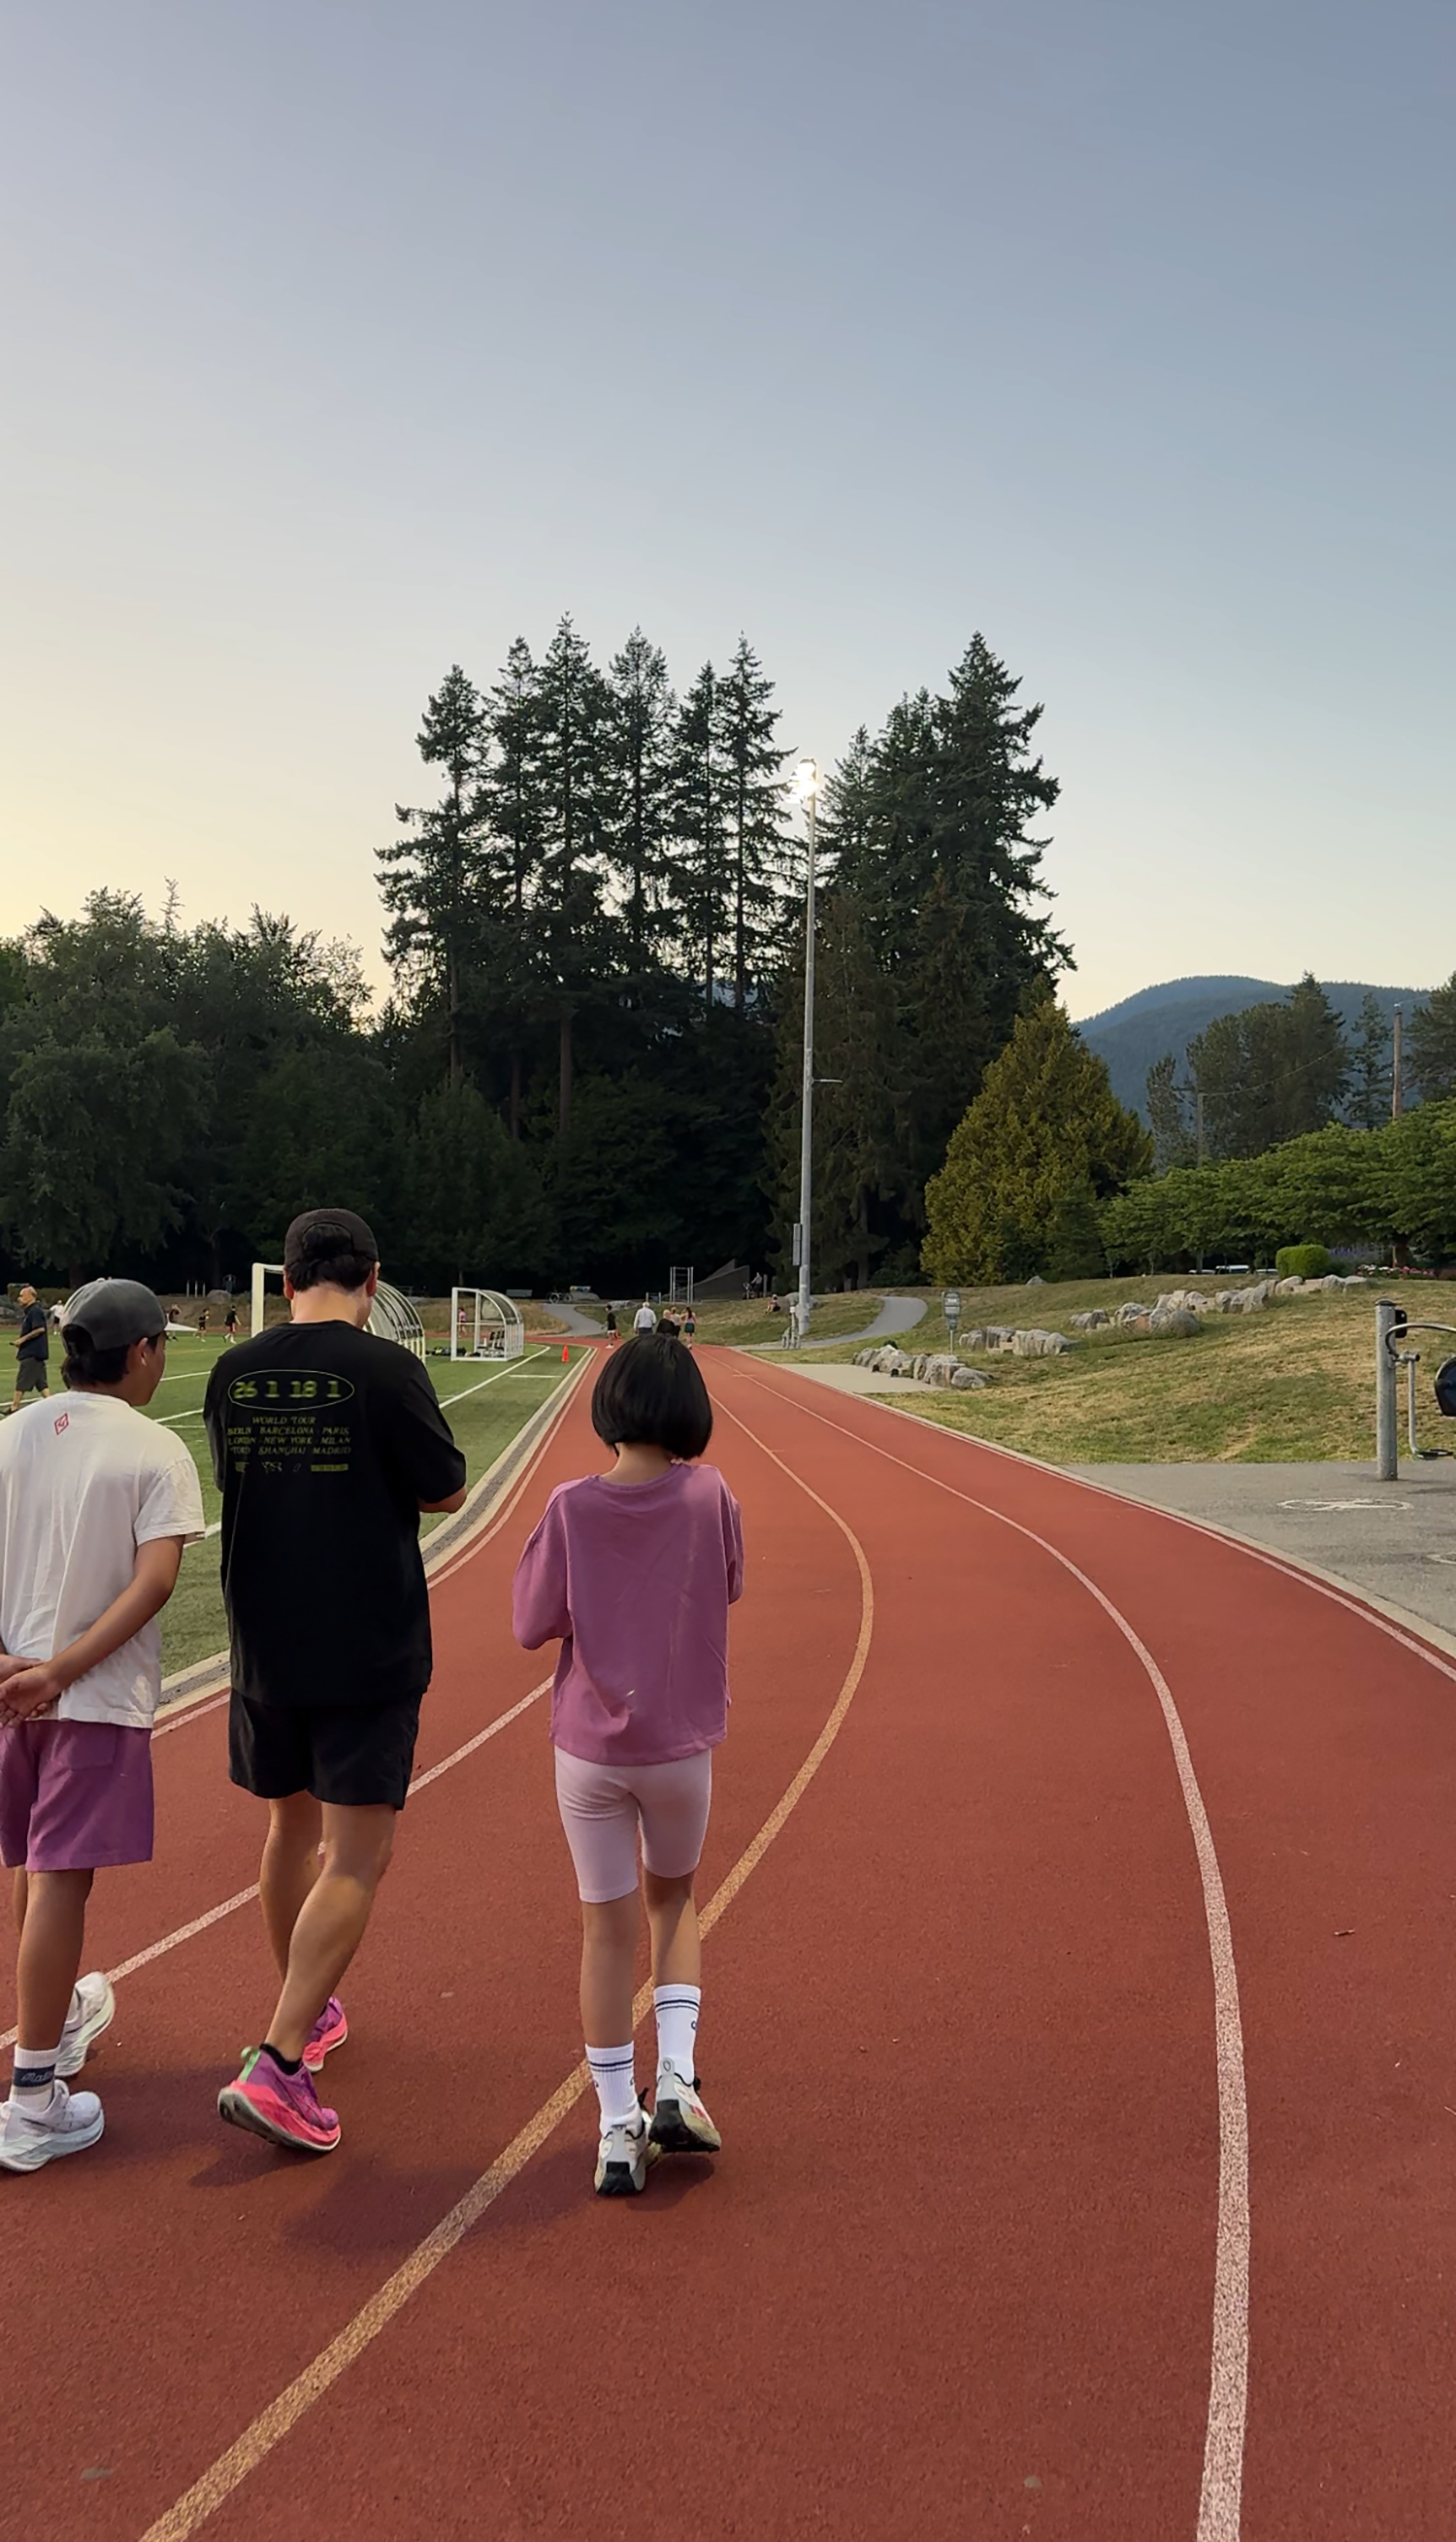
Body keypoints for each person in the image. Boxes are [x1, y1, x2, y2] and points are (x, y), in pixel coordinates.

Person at [205, 1208, 467, 2155]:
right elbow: (445, 1488)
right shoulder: (387, 1369)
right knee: (356, 1856)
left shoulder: (234, 1371)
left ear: (285, 1279)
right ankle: (281, 2057)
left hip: (264, 1638)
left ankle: (306, 2012)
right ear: (373, 1277)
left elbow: (237, 1475)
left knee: (289, 1828)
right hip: (363, 1643)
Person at [513, 1333, 744, 2196]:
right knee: (673, 1900)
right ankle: (677, 2074)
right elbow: (728, 1583)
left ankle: (617, 2126)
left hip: (590, 1751)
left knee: (604, 1931)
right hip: (678, 1744)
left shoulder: (570, 1506)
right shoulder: (710, 1495)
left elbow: (530, 1624)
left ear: (607, 1405)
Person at [0, 1280, 204, 2172]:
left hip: (13, 1692)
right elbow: (153, 1583)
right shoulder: (155, 1449)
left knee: (31, 1865)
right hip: (89, 1697)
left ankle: (57, 2024)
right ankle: (32, 2097)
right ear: (145, 1350)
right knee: (59, 1878)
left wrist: (15, 1665)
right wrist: (62, 1670)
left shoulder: (11, 1433)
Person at [8, 1286, 50, 1416]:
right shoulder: (29, 1312)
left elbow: (39, 1329)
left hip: (32, 1353)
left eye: (22, 1296)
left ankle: (14, 1407)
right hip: (34, 1353)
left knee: (22, 1380)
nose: (19, 1299)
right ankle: (53, 1404)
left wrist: (22, 1340)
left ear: (31, 1296)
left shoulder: (35, 1311)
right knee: (41, 1384)